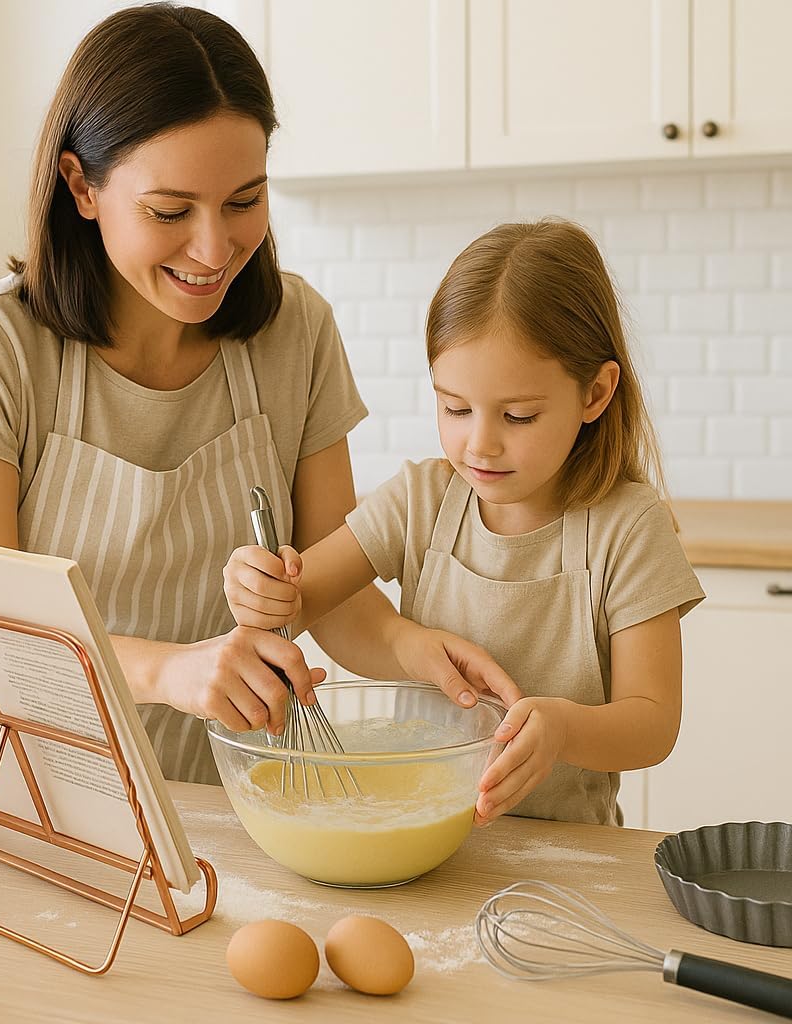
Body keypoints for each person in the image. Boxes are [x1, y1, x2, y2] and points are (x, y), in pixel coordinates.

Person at [0, 4, 519, 786]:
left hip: (233, 809)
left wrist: (409, 647)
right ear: (81, 186)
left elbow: (328, 594)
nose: (213, 248)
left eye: (243, 201)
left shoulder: (294, 331)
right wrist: (171, 674)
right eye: (170, 211)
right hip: (32, 802)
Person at [224, 219, 705, 826]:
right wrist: (260, 585)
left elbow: (653, 722)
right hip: (426, 834)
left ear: (595, 394)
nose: (480, 444)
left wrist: (562, 728)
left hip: (574, 858)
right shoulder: (422, 500)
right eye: (454, 408)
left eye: (519, 416)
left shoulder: (628, 529)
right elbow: (303, 594)